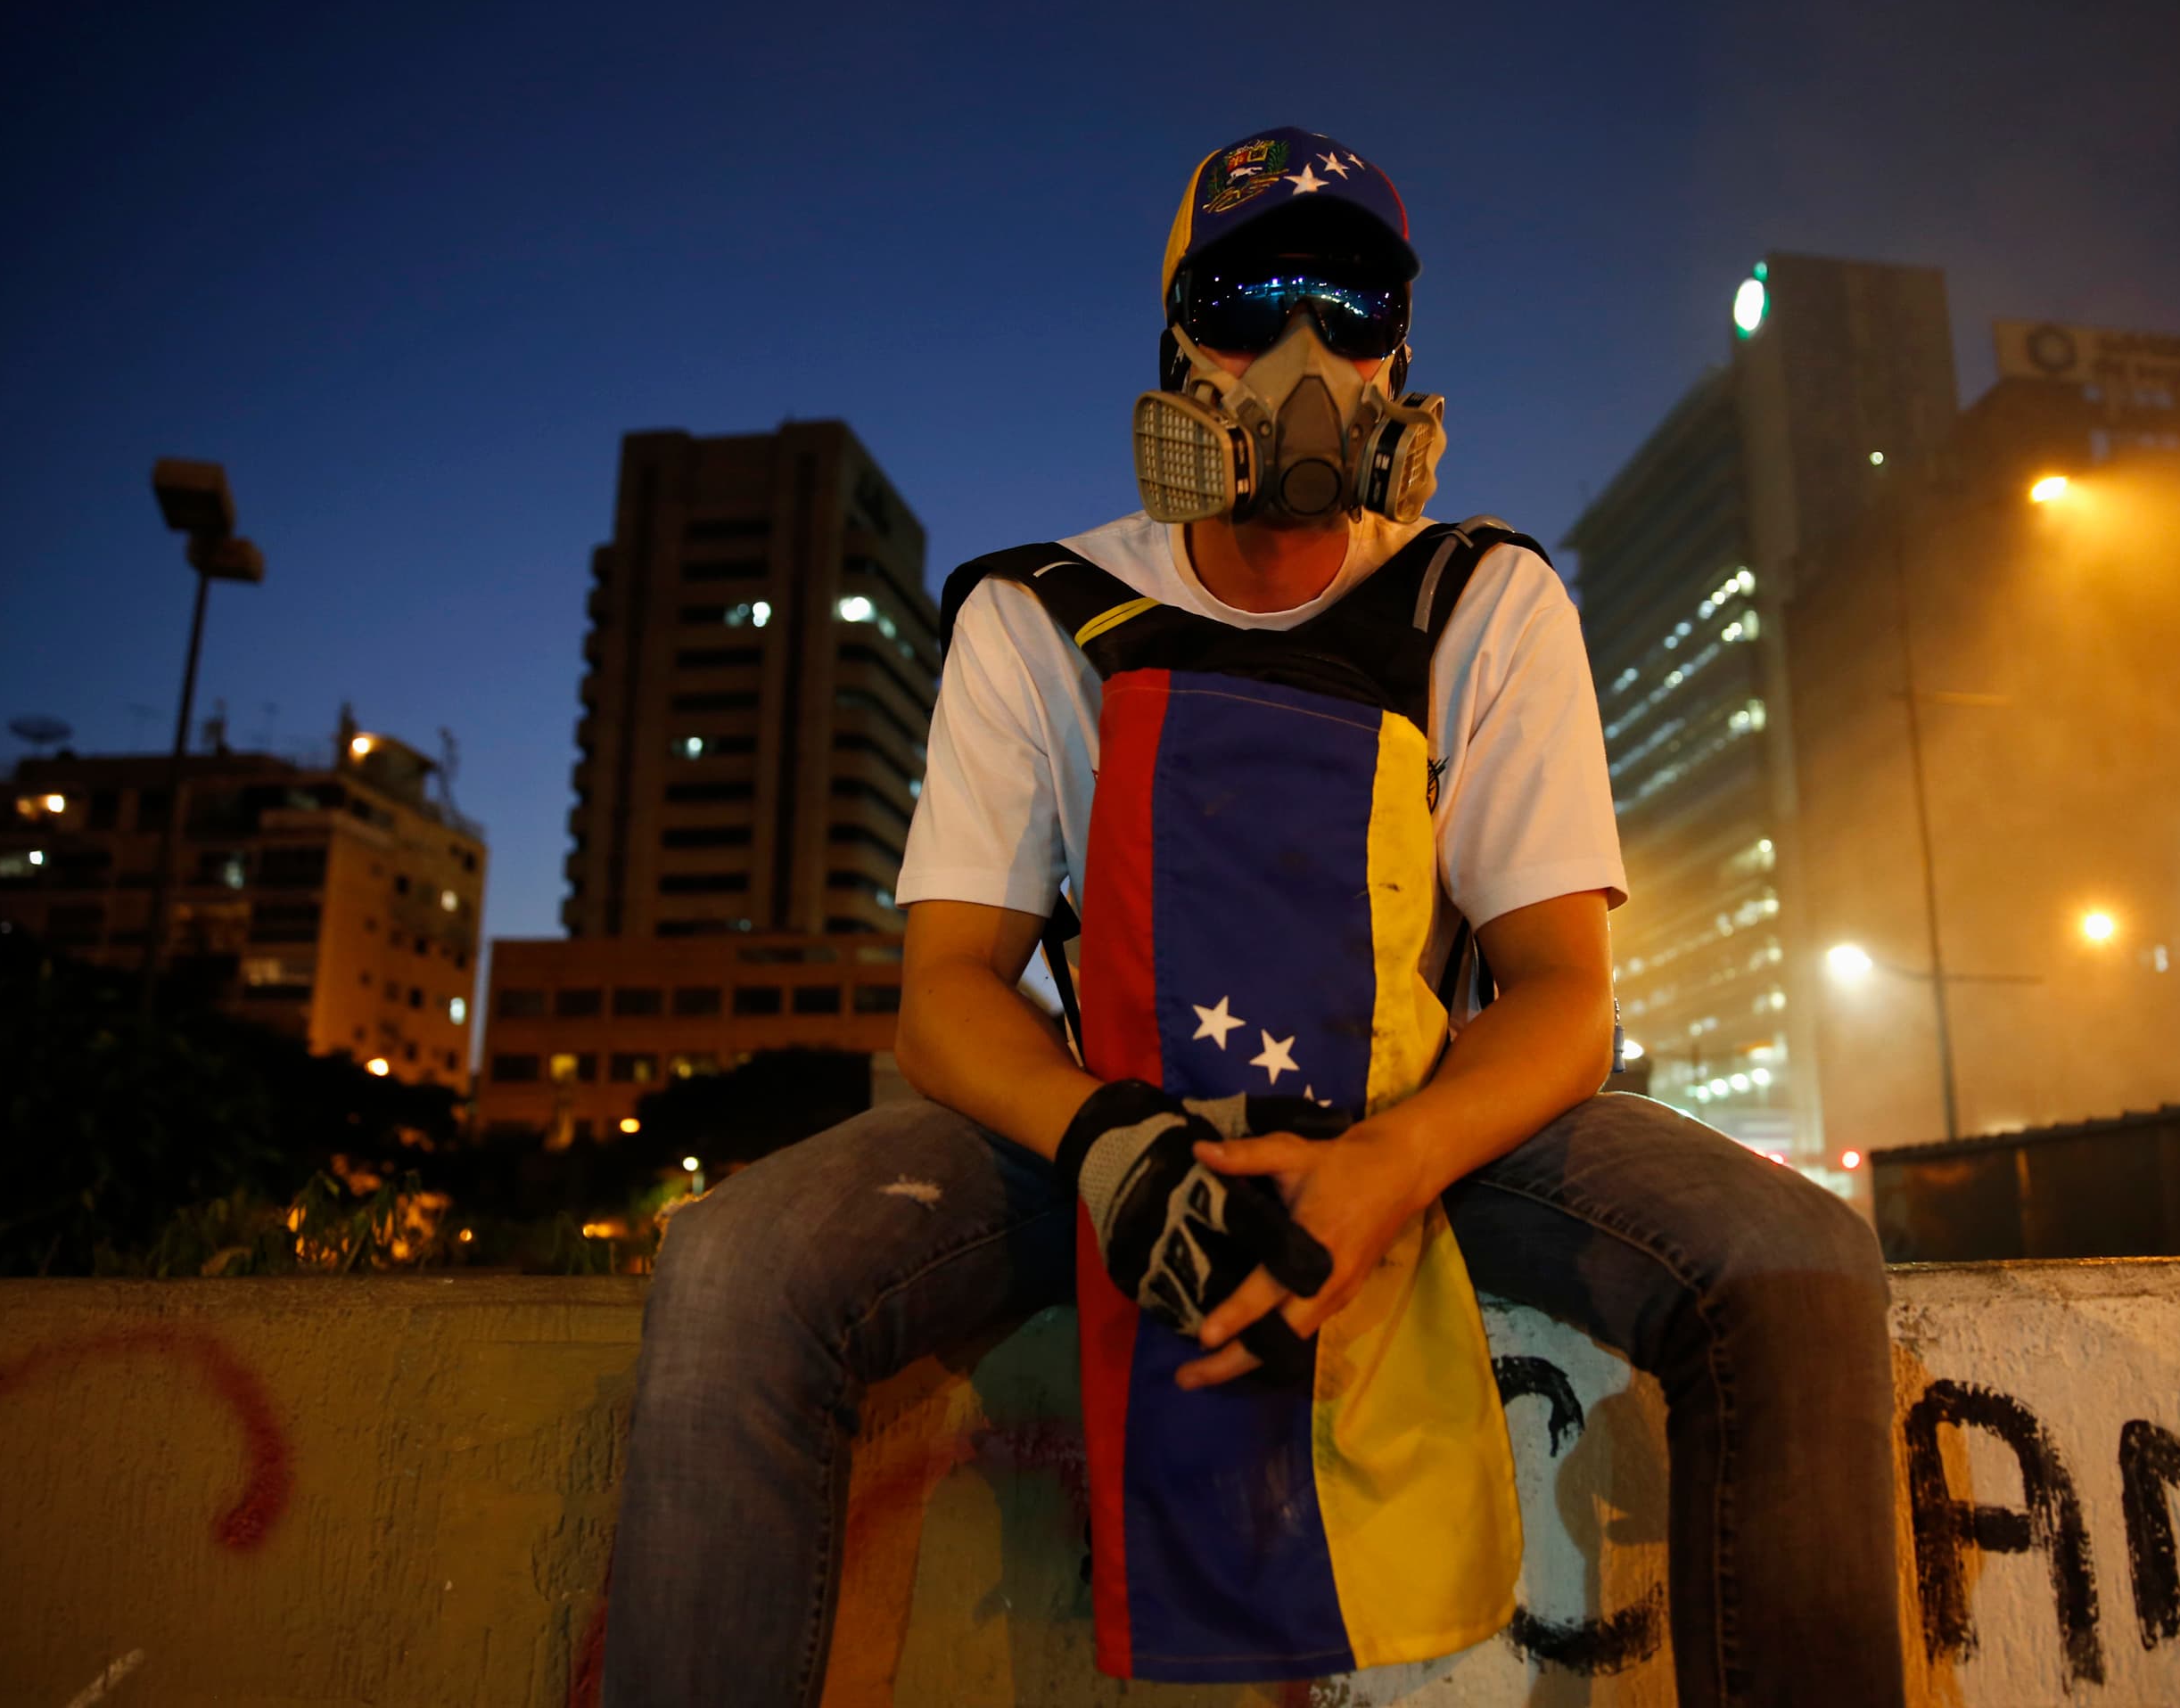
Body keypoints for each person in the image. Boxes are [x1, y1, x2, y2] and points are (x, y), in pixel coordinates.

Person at [605, 127, 1905, 1708]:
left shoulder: (1483, 600)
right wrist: (1105, 1149)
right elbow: (946, 987)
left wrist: (1387, 1168)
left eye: (1352, 307)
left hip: (1425, 1115)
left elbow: (1564, 992)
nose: (1306, 351)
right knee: (737, 1275)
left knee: (1796, 1266)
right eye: (1250, 298)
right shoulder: (1041, 616)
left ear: (1402, 359)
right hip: (1113, 1121)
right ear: (1175, 341)